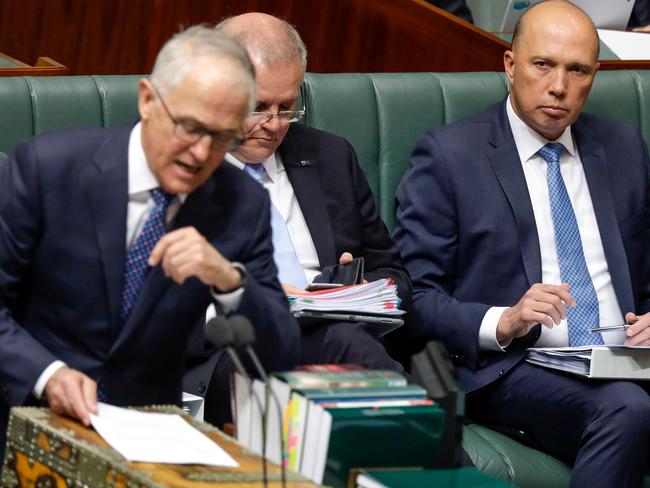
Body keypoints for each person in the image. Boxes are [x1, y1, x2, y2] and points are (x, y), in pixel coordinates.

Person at [0, 25, 300, 458]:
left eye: (221, 137)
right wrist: (48, 373)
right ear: (147, 99)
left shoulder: (240, 204)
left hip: (145, 441)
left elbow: (280, 353)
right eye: (189, 127)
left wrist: (228, 280)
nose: (200, 153)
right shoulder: (48, 169)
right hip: (27, 413)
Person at [394, 1, 650, 486]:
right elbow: (417, 298)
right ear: (510, 66)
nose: (559, 86)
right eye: (543, 64)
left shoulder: (622, 148)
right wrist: (505, 320)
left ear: (595, 75)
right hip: (511, 368)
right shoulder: (450, 155)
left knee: (628, 397)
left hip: (626, 358)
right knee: (627, 408)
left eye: (578, 70)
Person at [183, 13, 409, 424]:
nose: (273, 125)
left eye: (286, 107)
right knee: (340, 353)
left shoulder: (331, 157)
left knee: (344, 344)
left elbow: (392, 271)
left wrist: (359, 293)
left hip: (337, 340)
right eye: (257, 108)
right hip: (224, 359)